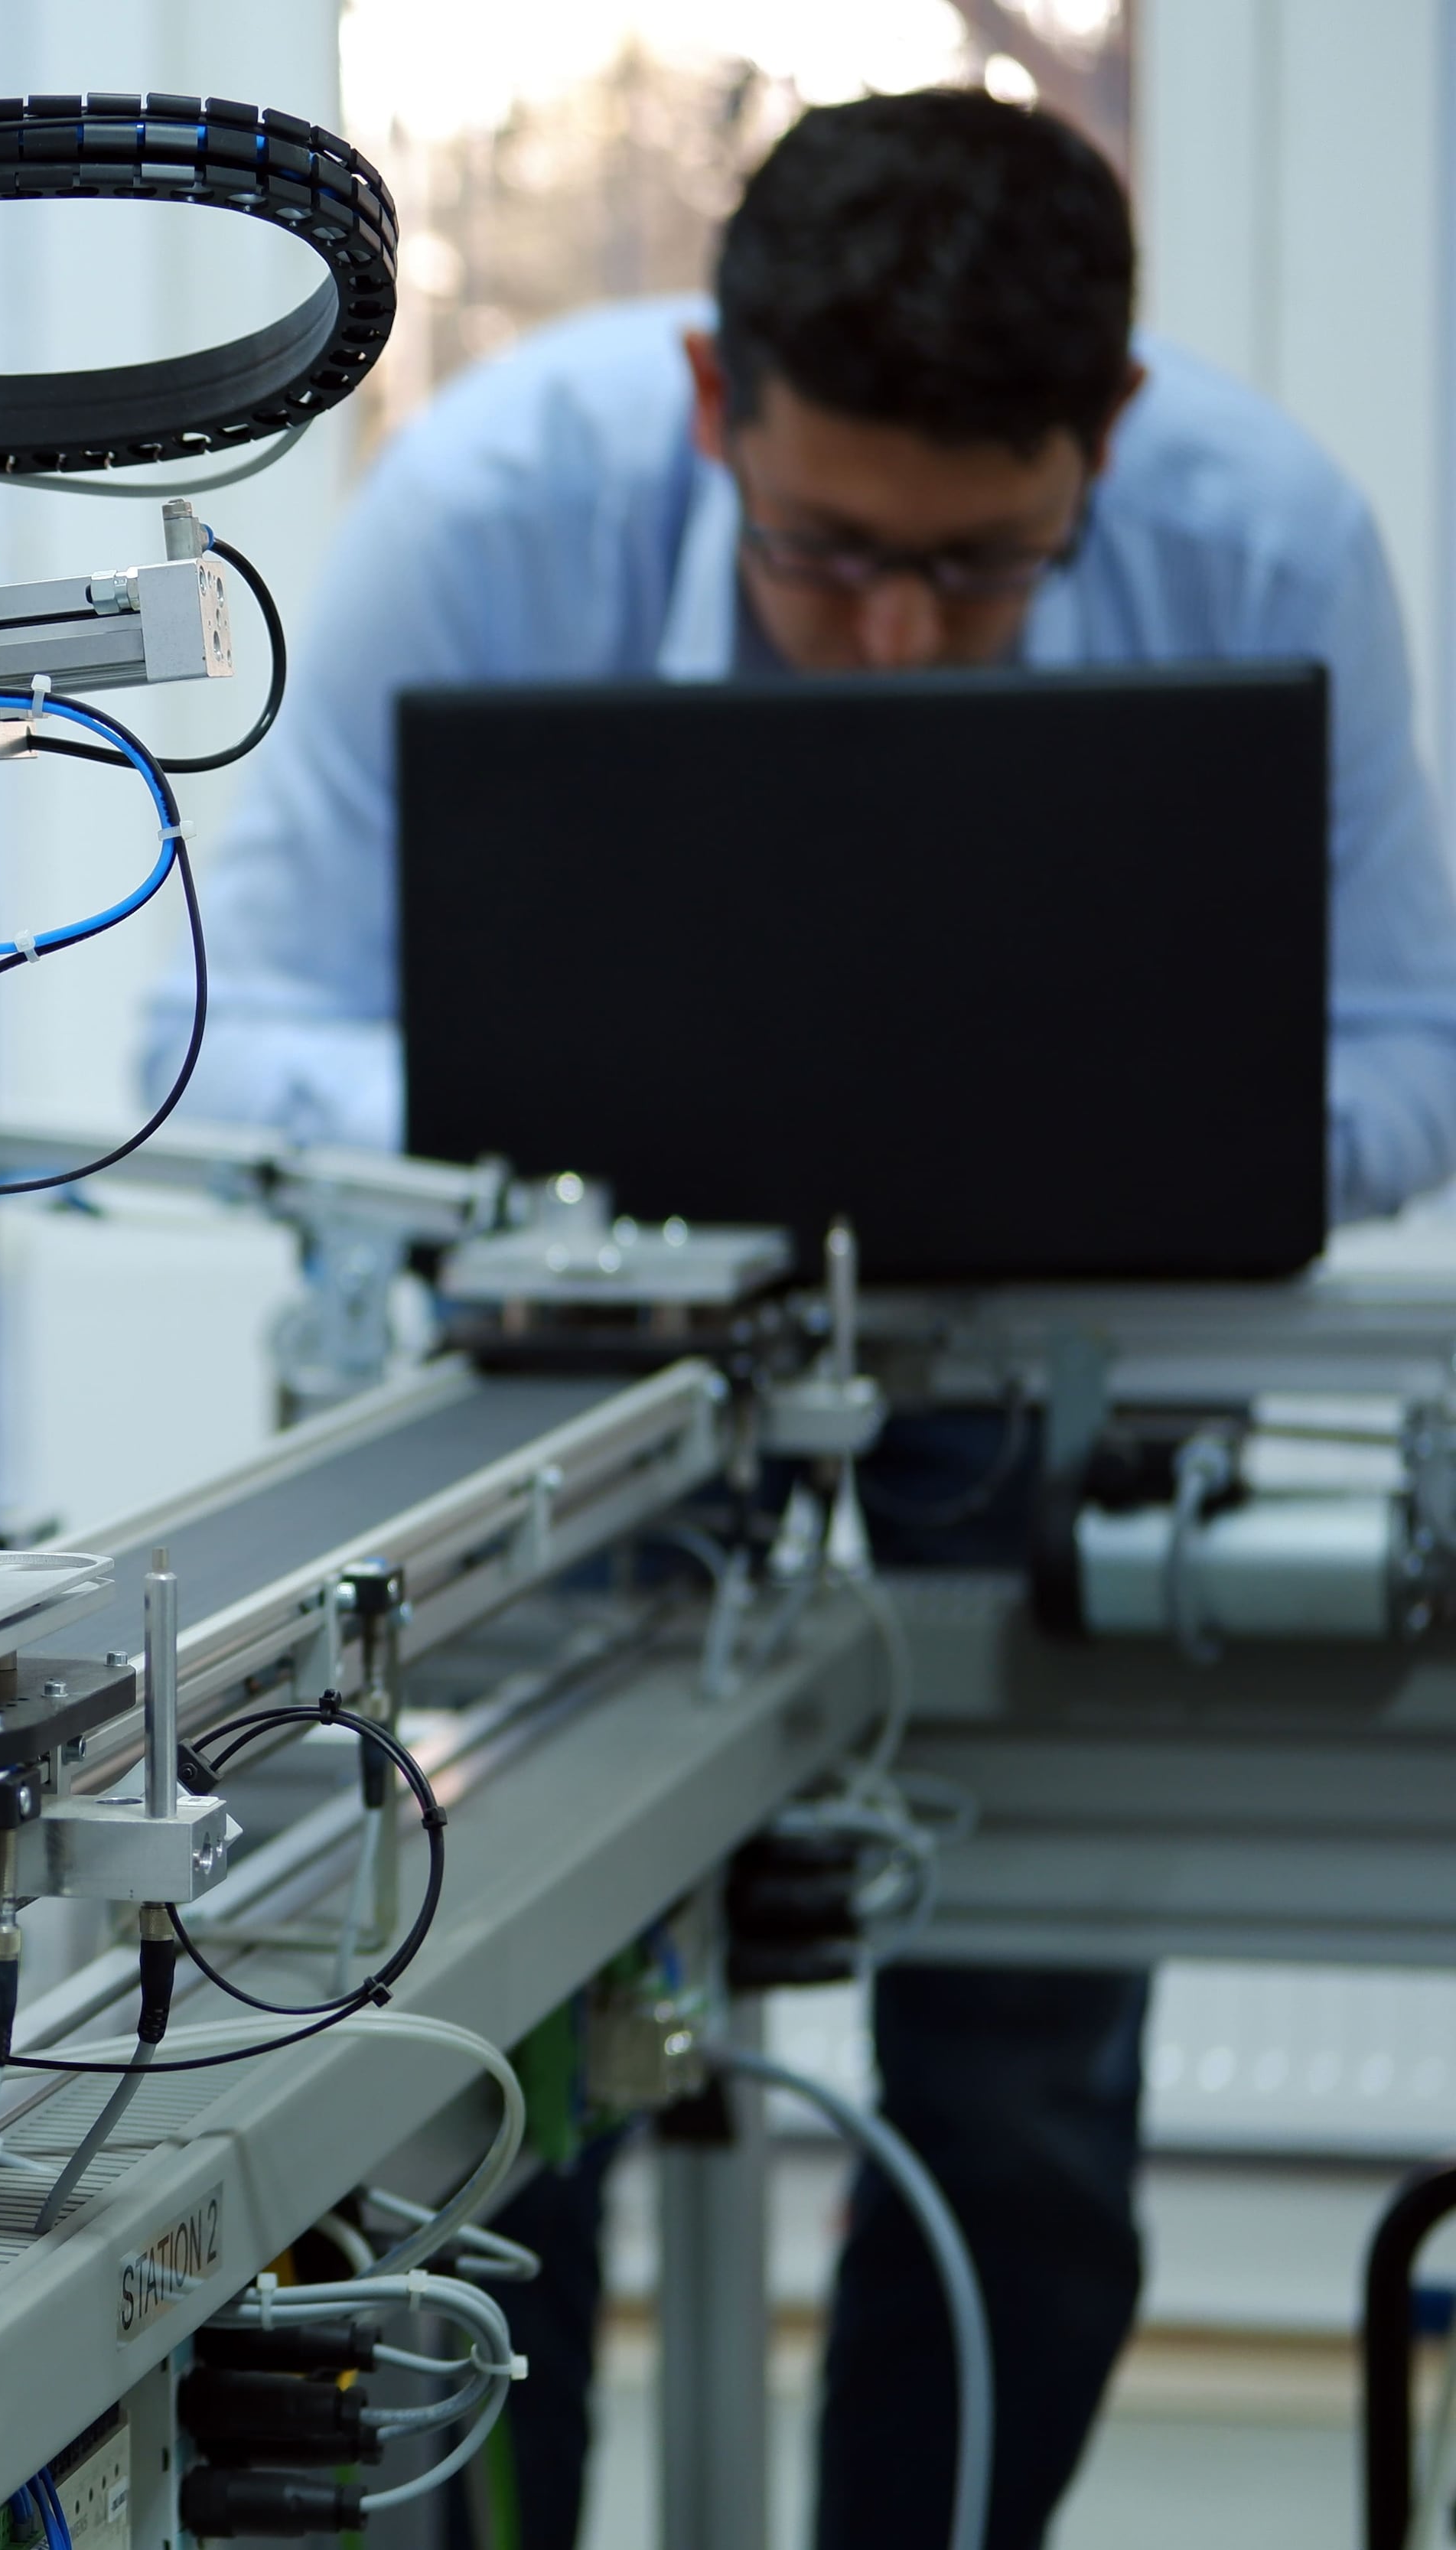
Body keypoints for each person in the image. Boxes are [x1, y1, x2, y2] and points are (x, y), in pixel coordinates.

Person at [136, 90, 1456, 2550]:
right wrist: (600, 1120)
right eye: (830, 553)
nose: (893, 642)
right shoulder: (490, 511)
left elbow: (1408, 1056)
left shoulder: (1266, 533)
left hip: (1056, 1402)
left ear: (1113, 442)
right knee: (487, 2097)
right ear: (714, 410)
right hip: (565, 1423)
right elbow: (230, 1042)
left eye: (982, 576)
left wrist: (1127, 1145)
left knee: (1026, 2118)